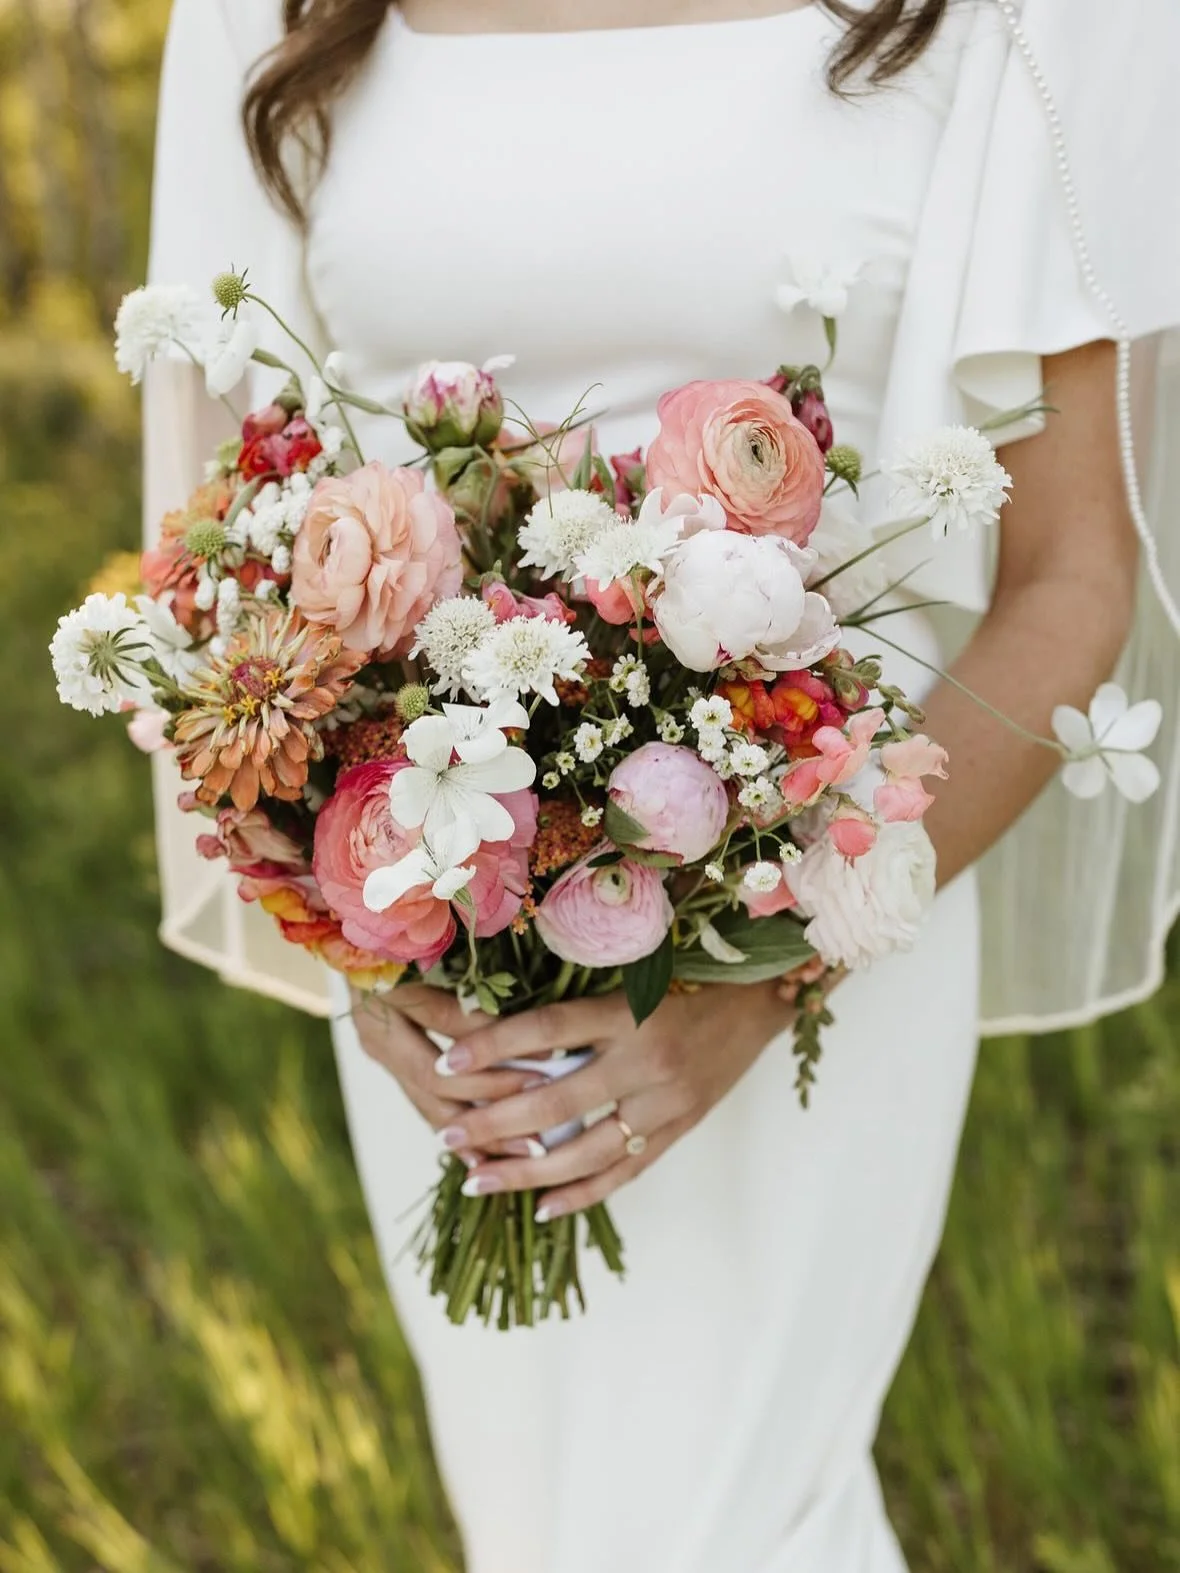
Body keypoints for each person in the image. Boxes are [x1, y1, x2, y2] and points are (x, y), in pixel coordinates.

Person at [144, 2, 1180, 1568]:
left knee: (742, 1520)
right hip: (439, 922)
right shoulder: (258, 15)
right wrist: (348, 922)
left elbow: (1074, 574)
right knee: (549, 1521)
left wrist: (768, 980)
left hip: (823, 883)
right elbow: (230, 576)